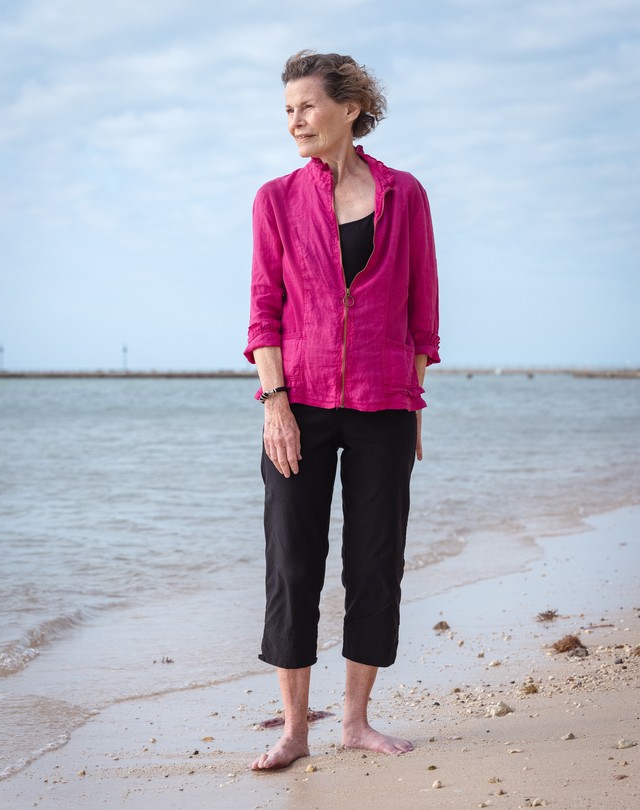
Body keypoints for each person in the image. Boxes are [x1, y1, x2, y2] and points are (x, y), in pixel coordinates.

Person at [244, 50, 440, 771]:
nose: (294, 120)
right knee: (293, 563)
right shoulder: (274, 200)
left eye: (306, 106)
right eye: (287, 109)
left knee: (376, 563)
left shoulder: (405, 194)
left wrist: (414, 401)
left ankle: (355, 722)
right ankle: (295, 730)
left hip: (385, 402)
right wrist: (275, 403)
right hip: (298, 403)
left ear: (349, 109)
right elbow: (264, 312)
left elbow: (424, 313)